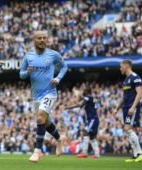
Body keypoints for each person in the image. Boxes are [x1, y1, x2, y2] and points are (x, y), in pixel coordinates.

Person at [19, 30, 68, 162]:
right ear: (34, 40)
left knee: (40, 118)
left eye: (44, 38)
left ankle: (37, 152)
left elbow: (64, 66)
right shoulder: (28, 56)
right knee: (45, 122)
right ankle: (59, 139)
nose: (42, 40)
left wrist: (58, 78)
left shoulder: (53, 54)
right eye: (39, 38)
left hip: (50, 93)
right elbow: (21, 74)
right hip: (36, 96)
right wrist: (27, 72)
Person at [114, 59, 142, 162]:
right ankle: (135, 155)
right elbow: (124, 96)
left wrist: (133, 107)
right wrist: (117, 107)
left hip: (132, 107)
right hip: (125, 107)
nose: (120, 68)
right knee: (128, 130)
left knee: (127, 128)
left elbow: (140, 93)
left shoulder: (135, 77)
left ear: (126, 66)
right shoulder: (126, 80)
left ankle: (139, 153)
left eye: (121, 66)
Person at [65, 88, 100, 158]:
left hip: (92, 119)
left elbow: (80, 105)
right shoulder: (91, 98)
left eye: (83, 90)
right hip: (94, 119)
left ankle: (84, 152)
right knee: (92, 137)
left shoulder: (88, 97)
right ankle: (97, 154)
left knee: (85, 132)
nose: (82, 91)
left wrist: (68, 107)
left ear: (86, 91)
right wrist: (80, 97)